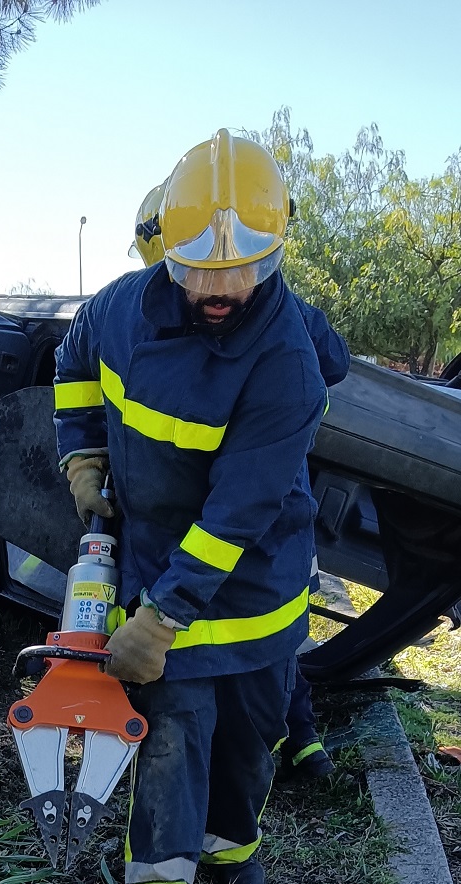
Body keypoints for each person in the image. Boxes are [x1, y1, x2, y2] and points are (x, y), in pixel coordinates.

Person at [55, 130, 329, 884]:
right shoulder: (118, 312)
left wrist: (161, 617)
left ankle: (231, 850)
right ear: (167, 254)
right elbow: (72, 362)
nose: (220, 290)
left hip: (252, 585)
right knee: (175, 724)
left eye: (241, 272)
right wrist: (82, 454)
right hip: (155, 560)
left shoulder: (288, 364)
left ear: (273, 254)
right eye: (200, 271)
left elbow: (237, 514)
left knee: (249, 736)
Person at [133, 179, 351, 782]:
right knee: (261, 626)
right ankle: (293, 738)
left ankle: (295, 737)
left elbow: (332, 360)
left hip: (268, 492)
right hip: (240, 501)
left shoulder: (276, 317)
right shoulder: (152, 316)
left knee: (271, 621)